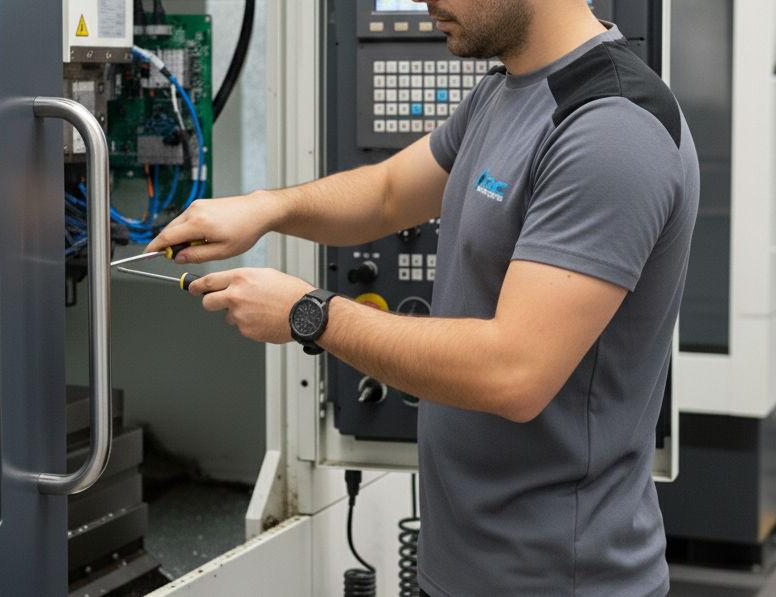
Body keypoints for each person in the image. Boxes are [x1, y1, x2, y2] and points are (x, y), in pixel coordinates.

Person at [146, 0, 699, 594]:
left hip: (560, 581)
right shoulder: (506, 92)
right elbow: (387, 193)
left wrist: (310, 313)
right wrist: (266, 208)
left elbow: (512, 371)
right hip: (463, 569)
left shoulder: (610, 128)